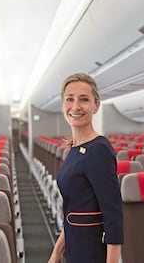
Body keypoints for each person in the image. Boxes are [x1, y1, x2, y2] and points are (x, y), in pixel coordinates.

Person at [48, 73, 124, 263]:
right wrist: (57, 253)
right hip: (75, 250)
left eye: (84, 99)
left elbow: (113, 217)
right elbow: (73, 209)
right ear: (62, 104)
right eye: (69, 99)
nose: (75, 106)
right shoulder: (74, 148)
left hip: (92, 254)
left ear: (96, 105)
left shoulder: (99, 150)